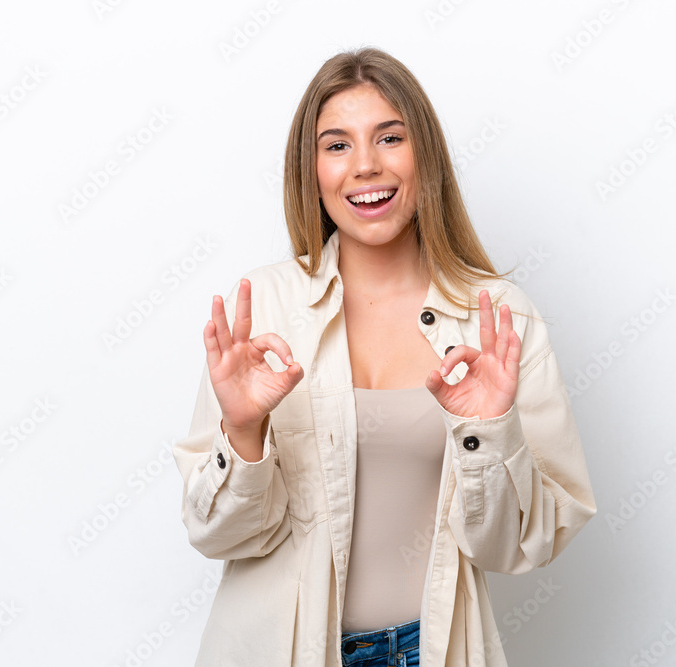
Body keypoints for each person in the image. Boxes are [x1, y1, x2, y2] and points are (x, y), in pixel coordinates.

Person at [172, 46, 597, 666]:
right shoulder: (262, 307)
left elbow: (516, 548)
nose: (365, 166)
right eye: (337, 145)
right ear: (310, 169)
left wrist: (488, 429)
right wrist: (242, 430)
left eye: (390, 138)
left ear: (425, 154)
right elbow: (218, 536)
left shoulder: (498, 319)